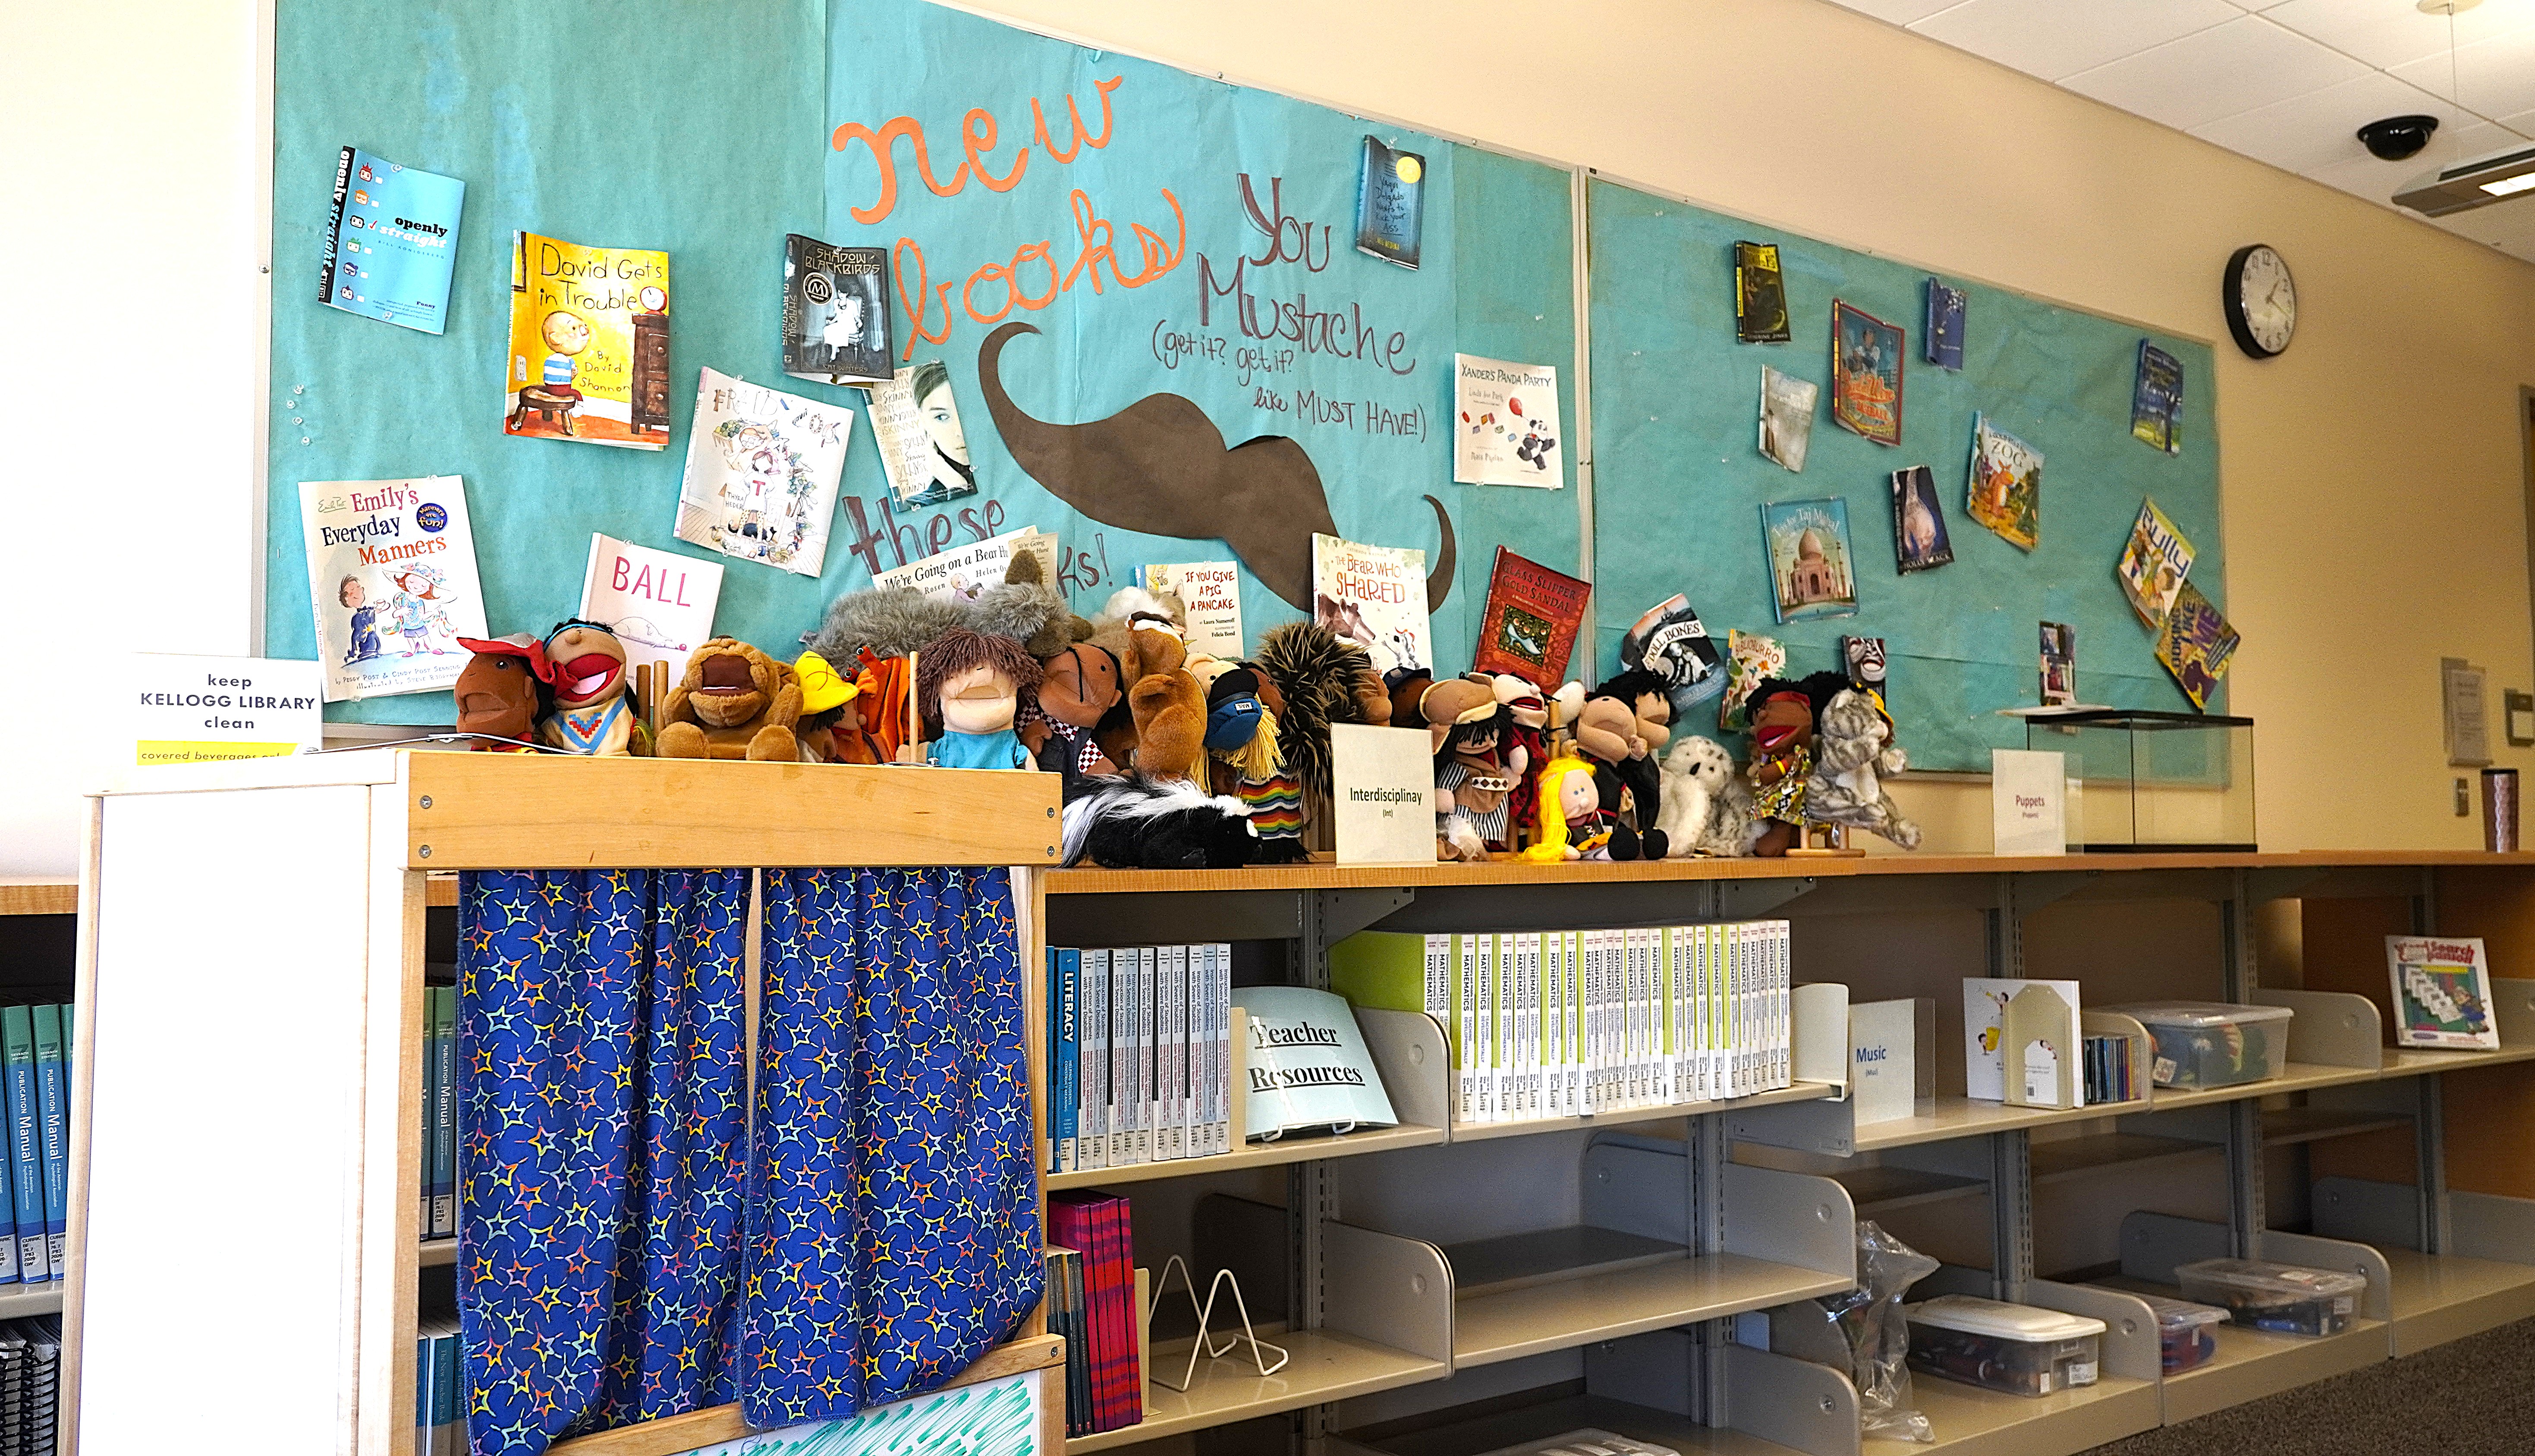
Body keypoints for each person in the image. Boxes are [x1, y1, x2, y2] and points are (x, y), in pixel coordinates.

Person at [900, 359, 978, 507]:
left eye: (967, 412)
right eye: (942, 417)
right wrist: (955, 484)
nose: (960, 433)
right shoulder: (916, 505)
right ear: (923, 421)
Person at [339, 575, 382, 665]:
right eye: (356, 588)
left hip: (373, 642)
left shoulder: (366, 612)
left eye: (359, 587)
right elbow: (358, 634)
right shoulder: (358, 617)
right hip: (368, 647)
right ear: (348, 597)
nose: (362, 589)